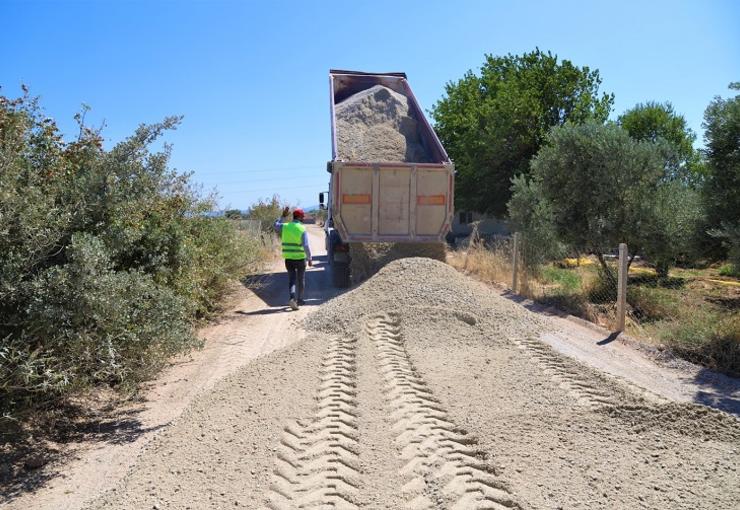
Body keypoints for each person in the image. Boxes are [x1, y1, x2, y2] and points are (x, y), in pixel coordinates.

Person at [274, 206, 312, 310]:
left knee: (292, 280)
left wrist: (282, 216)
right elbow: (306, 245)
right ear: (299, 217)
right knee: (301, 279)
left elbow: (275, 225)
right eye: (302, 217)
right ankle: (300, 300)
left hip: (289, 259)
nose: (303, 218)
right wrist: (309, 258)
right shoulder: (302, 228)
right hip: (300, 259)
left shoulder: (285, 226)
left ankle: (292, 298)